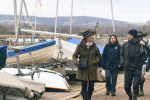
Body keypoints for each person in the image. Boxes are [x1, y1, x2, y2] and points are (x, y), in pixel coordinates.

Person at [120, 29, 150, 100]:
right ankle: (130, 96)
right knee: (126, 87)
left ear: (134, 35)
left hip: (137, 67)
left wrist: (145, 45)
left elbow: (148, 54)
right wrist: (123, 62)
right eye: (128, 34)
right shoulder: (125, 44)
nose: (128, 36)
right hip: (128, 68)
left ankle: (134, 98)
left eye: (130, 35)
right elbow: (121, 54)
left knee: (136, 86)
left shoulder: (141, 44)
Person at [72, 30, 100, 100]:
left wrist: (96, 60)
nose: (91, 37)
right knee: (83, 86)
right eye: (90, 36)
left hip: (92, 68)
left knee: (91, 86)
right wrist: (76, 62)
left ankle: (89, 98)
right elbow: (74, 56)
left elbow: (98, 55)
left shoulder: (94, 46)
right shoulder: (80, 46)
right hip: (83, 68)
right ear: (86, 37)